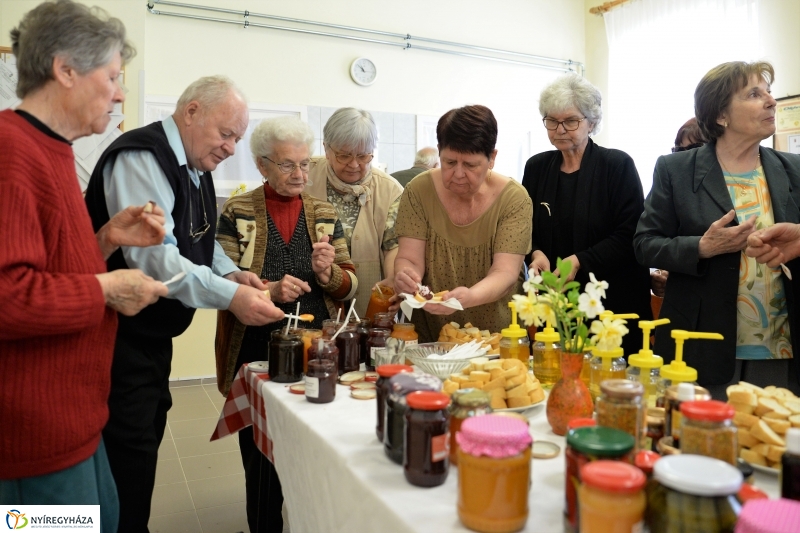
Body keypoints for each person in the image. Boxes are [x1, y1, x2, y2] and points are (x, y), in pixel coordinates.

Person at [83, 75, 285, 531]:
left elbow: (198, 238)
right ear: (191, 112)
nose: (232, 148)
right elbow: (155, 260)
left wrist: (229, 271)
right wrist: (232, 297)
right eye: (226, 133)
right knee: (128, 449)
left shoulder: (195, 166)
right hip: (115, 335)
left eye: (238, 137)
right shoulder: (142, 158)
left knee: (145, 435)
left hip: (151, 335)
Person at [0, 0, 168, 528]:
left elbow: (44, 270)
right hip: (34, 440)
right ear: (65, 69)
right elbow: (8, 296)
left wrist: (103, 241)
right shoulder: (11, 151)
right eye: (114, 76)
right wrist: (107, 291)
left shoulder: (52, 148)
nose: (120, 92)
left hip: (75, 425)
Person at [215, 116, 357, 533]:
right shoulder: (238, 211)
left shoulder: (324, 213)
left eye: (305, 165)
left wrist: (329, 273)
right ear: (262, 166)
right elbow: (222, 284)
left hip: (318, 350)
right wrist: (268, 291)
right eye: (287, 165)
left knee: (315, 448)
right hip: (257, 349)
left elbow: (349, 286)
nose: (299, 174)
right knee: (260, 456)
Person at [634, 61, 800, 398]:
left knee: (767, 446)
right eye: (754, 94)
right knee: (699, 444)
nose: (771, 100)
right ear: (720, 115)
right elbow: (644, 243)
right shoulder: (676, 169)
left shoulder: (793, 169)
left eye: (768, 91)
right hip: (700, 344)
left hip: (781, 346)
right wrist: (701, 247)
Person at [522, 73, 652, 355]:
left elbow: (630, 234)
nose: (560, 129)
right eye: (551, 121)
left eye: (570, 121)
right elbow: (523, 227)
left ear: (592, 122)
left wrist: (581, 261)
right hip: (558, 303)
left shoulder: (617, 165)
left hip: (611, 304)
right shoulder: (537, 168)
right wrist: (534, 253)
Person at [394, 105, 533, 341]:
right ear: (439, 152)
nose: (458, 173)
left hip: (497, 339)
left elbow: (505, 272)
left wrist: (468, 296)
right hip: (431, 336)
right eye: (449, 162)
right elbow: (409, 258)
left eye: (470, 165)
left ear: (492, 158)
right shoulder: (418, 190)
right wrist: (406, 275)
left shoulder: (514, 199)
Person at [306, 108, 403, 317]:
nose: (354, 164)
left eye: (363, 156)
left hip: (368, 299)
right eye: (344, 155)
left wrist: (394, 280)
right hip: (312, 298)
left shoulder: (390, 190)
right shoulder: (306, 175)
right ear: (327, 149)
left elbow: (393, 246)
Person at [652, 118, 710, 299]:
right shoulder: (672, 189)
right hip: (686, 298)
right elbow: (651, 243)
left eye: (695, 148)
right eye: (679, 150)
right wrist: (664, 274)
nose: (685, 157)